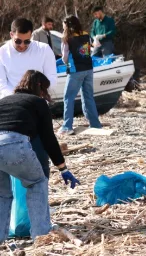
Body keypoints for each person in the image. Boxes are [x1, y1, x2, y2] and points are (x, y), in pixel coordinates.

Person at [0, 70, 80, 242]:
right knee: (37, 182)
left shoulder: (4, 101)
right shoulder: (37, 102)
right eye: (44, 89)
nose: (45, 94)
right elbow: (48, 138)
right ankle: (41, 234)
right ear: (38, 86)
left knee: (3, 195)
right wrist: (62, 168)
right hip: (14, 144)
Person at [0, 18, 58, 181]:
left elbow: (52, 78)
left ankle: (41, 195)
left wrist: (35, 96)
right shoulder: (2, 52)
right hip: (12, 110)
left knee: (40, 154)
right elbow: (1, 84)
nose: (23, 45)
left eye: (27, 41)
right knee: (11, 160)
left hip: (38, 108)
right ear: (11, 34)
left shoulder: (43, 49)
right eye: (18, 41)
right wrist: (18, 99)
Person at [58, 16, 103, 136]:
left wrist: (65, 63)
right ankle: (95, 124)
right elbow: (89, 50)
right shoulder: (85, 34)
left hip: (75, 70)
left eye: (63, 24)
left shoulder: (66, 38)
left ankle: (67, 127)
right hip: (88, 68)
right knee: (88, 96)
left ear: (67, 25)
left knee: (68, 98)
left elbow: (65, 57)